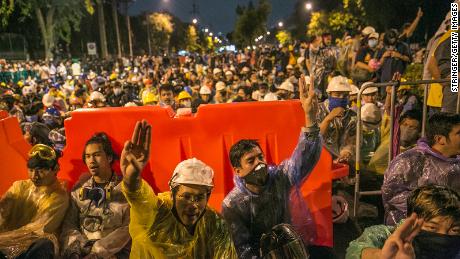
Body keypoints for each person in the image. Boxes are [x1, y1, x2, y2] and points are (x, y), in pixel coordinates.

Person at [222, 75, 321, 258]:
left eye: (261, 157)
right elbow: (241, 248)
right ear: (238, 171)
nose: (259, 163)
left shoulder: (279, 178)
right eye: (251, 161)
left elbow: (305, 158)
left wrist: (309, 117)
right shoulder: (232, 204)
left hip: (291, 249)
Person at [120, 121, 237, 258]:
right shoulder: (156, 213)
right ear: (173, 193)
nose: (193, 205)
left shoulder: (213, 222)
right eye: (186, 197)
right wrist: (131, 178)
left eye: (199, 198)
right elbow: (139, 197)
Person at [60, 133, 131, 258]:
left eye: (96, 155)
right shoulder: (79, 188)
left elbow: (127, 229)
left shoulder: (125, 189)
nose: (91, 161)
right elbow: (69, 224)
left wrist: (97, 253)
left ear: (109, 157)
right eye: (87, 156)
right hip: (81, 251)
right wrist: (76, 249)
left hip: (113, 254)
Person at [382, 112, 460, 226]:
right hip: (412, 229)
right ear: (440, 139)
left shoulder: (456, 162)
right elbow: (393, 194)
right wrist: (435, 212)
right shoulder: (409, 160)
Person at [346, 185, 460, 259]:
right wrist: (381, 256)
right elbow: (356, 250)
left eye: (454, 230)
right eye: (432, 227)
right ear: (411, 221)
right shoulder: (386, 234)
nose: (443, 235)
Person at [0, 144, 69, 258]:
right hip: (6, 241)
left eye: (40, 171)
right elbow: (3, 212)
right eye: (31, 170)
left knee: (44, 244)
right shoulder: (20, 186)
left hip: (32, 245)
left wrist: (3, 239)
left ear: (55, 169)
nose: (34, 176)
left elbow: (36, 230)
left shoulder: (59, 197)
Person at [367, 109, 422, 175]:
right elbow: (388, 110)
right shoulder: (389, 138)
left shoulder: (418, 150)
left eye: (412, 127)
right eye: (405, 124)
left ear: (419, 131)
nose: (407, 129)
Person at [317, 75, 356, 163]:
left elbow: (353, 141)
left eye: (345, 95)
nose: (341, 97)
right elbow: (314, 138)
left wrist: (346, 153)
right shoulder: (318, 111)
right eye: (337, 94)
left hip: (341, 161)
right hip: (319, 160)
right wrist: (328, 119)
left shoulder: (352, 117)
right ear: (329, 94)